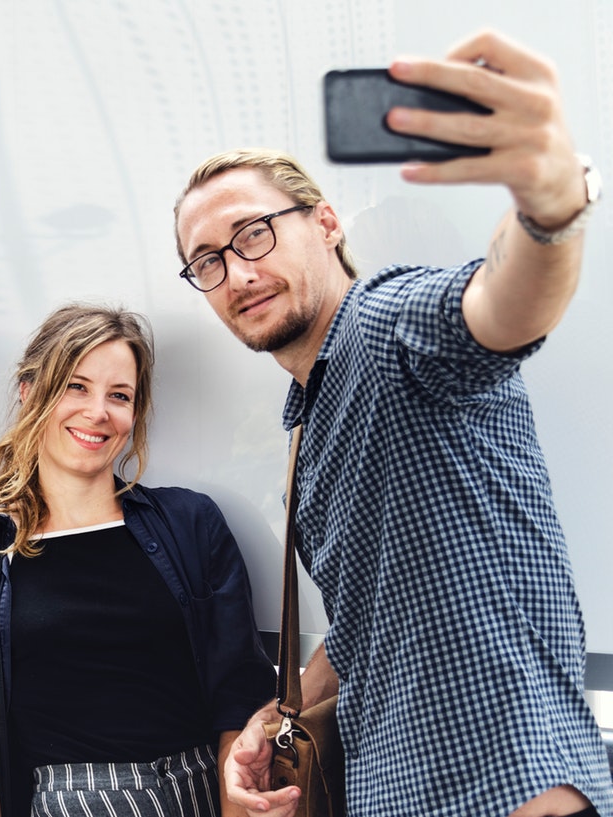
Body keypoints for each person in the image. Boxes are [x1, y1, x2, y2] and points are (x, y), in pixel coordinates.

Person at [172, 30, 611, 817]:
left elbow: (499, 306)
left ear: (328, 223)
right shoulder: (306, 422)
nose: (236, 272)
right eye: (208, 261)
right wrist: (274, 720)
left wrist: (551, 207)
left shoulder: (386, 321)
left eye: (252, 233)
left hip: (507, 788)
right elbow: (372, 621)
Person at [0, 303, 275, 817]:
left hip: (200, 792)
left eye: (119, 395)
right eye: (76, 386)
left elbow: (238, 696)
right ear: (30, 392)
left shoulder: (192, 523)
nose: (98, 412)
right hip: (68, 803)